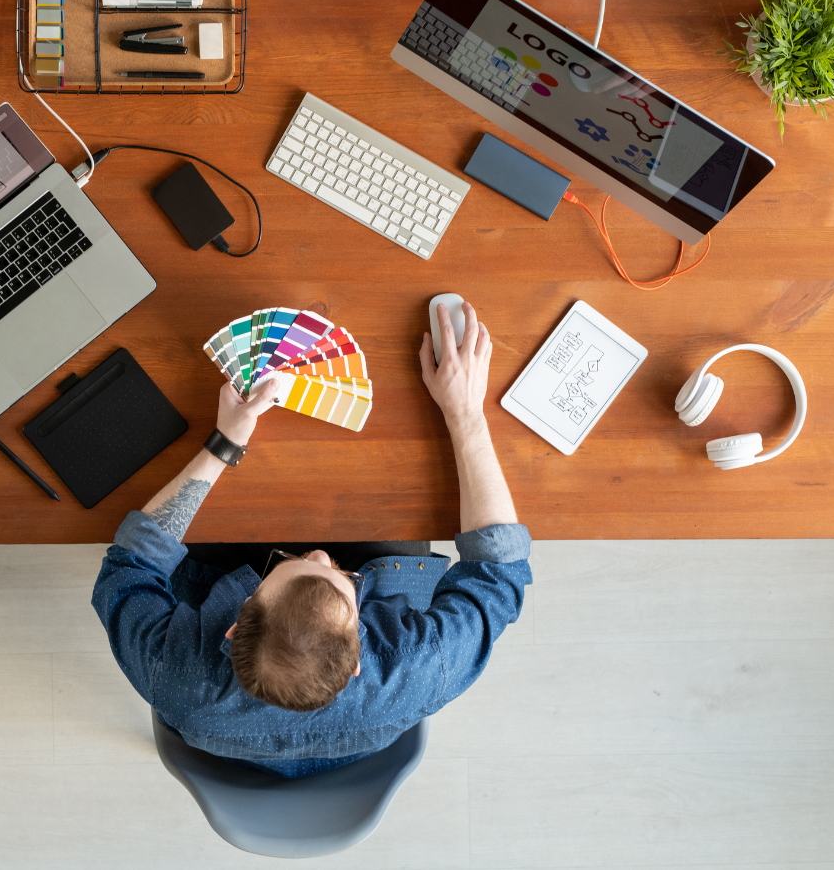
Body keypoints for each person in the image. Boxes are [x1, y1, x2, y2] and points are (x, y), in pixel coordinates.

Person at [92, 302, 531, 776]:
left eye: (298, 562)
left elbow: (129, 567)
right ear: (361, 655)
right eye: (336, 574)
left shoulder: (175, 675)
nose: (322, 554)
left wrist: (225, 442)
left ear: (235, 625)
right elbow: (498, 567)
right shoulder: (416, 671)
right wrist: (465, 411)